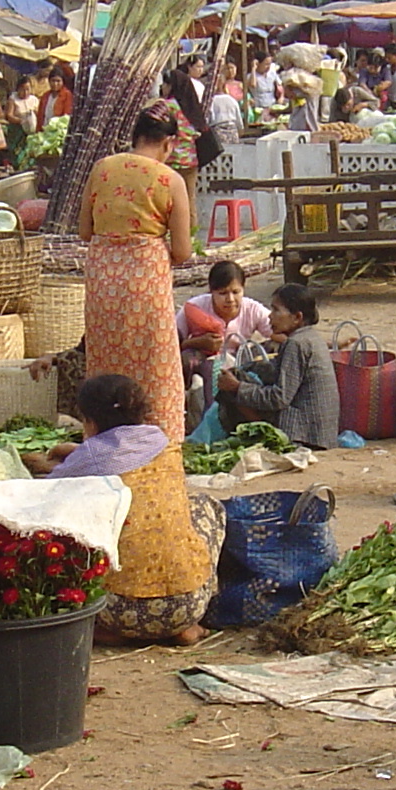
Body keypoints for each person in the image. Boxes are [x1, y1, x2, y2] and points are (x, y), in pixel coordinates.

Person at [75, 106, 216, 641]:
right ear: (168, 143)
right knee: (157, 375)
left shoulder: (102, 168)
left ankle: (105, 452)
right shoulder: (170, 180)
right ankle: (156, 458)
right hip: (143, 278)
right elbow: (182, 250)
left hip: (103, 278)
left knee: (107, 370)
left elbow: (86, 228)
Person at [47, 371, 227, 645]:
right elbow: (120, 453)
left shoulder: (88, 459)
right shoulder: (164, 443)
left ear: (90, 421)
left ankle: (109, 633)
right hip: (189, 601)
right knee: (206, 505)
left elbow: (46, 495)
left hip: (117, 611)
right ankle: (186, 626)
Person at [219, 282, 338, 451]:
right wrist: (248, 367)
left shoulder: (296, 344)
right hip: (322, 432)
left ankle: (271, 441)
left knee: (232, 392)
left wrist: (238, 387)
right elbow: (275, 368)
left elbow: (279, 398)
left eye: (276, 310)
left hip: (305, 433)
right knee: (241, 378)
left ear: (297, 317)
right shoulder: (311, 338)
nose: (270, 317)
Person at [179, 259, 272, 393]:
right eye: (222, 293)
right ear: (211, 292)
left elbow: (279, 332)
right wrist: (197, 343)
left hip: (240, 361)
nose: (230, 299)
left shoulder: (253, 309)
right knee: (187, 358)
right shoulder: (195, 307)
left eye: (236, 292)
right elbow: (172, 345)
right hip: (203, 361)